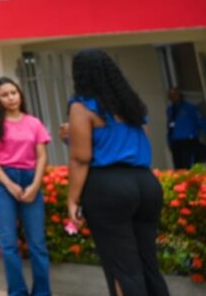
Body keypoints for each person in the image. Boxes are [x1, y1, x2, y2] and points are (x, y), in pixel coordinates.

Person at [66, 49, 169, 296]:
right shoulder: (131, 103)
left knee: (122, 267)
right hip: (145, 182)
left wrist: (72, 200)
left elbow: (81, 158)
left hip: (109, 186)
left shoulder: (82, 106)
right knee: (148, 263)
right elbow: (135, 141)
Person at [0, 77, 51, 296]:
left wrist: (34, 186)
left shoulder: (33, 123)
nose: (11, 98)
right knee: (8, 243)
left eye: (14, 93)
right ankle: (17, 292)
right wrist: (9, 185)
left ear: (20, 94)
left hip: (31, 180)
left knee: (37, 243)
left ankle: (42, 292)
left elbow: (42, 156)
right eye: (5, 95)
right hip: (3, 181)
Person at [166, 88, 204, 169]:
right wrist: (169, 141)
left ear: (179, 95)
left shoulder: (189, 108)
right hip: (176, 142)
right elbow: (170, 126)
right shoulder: (170, 110)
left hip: (189, 141)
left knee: (189, 165)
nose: (172, 97)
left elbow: (200, 122)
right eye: (170, 95)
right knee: (179, 167)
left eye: (174, 95)